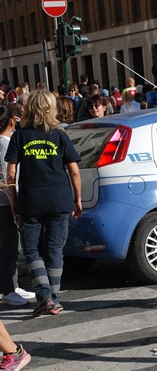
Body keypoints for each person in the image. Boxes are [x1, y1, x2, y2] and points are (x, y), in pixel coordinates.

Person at [5, 89, 82, 317]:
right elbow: (74, 171)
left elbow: (10, 173)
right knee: (54, 249)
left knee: (32, 250)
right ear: (51, 108)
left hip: (31, 200)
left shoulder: (20, 136)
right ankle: (54, 299)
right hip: (59, 199)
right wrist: (77, 198)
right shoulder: (59, 135)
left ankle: (45, 296)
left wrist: (14, 200)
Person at [0, 105, 35, 306]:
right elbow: (8, 178)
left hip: (4, 202)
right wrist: (16, 205)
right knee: (9, 247)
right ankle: (8, 289)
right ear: (12, 121)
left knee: (8, 246)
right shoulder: (5, 143)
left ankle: (12, 286)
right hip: (5, 203)